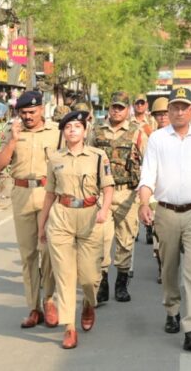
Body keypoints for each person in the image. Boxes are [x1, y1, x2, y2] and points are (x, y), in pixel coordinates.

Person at [138, 87, 191, 352]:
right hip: (166, 212)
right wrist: (143, 203)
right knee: (169, 267)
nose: (179, 111)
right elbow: (148, 176)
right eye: (175, 107)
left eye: (185, 107)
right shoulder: (158, 139)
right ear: (169, 110)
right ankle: (172, 308)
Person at [37, 111, 114, 349]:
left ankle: (89, 304)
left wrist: (104, 210)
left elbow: (108, 187)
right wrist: (42, 225)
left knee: (90, 277)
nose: (72, 130)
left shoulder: (99, 156)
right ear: (63, 131)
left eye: (77, 126)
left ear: (85, 130)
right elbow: (50, 193)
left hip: (90, 216)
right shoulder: (55, 157)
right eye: (68, 126)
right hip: (62, 216)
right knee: (65, 275)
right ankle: (69, 326)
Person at [0, 90, 58, 328]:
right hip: (21, 194)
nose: (28, 117)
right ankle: (34, 308)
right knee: (28, 255)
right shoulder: (12, 132)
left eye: (32, 112)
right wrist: (12, 141)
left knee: (49, 251)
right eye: (23, 113)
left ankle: (50, 300)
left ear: (41, 109)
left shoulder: (56, 133)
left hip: (48, 194)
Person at [87, 91, 147, 303]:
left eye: (121, 107)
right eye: (114, 106)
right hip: (102, 194)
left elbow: (148, 163)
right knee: (100, 240)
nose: (116, 110)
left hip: (126, 193)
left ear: (128, 109)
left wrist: (145, 196)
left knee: (125, 240)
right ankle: (102, 282)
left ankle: (121, 283)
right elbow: (87, 159)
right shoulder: (95, 131)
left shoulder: (137, 133)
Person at [148, 96, 170, 282]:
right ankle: (162, 267)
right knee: (158, 232)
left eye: (165, 113)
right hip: (156, 191)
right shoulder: (150, 137)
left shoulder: (183, 135)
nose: (162, 117)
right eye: (158, 114)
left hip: (178, 192)